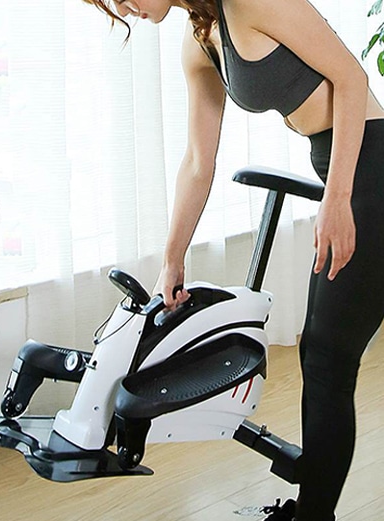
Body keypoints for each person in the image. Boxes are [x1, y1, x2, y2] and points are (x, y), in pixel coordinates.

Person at [84, 0, 384, 519]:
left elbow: (352, 79)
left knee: (326, 360)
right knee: (325, 359)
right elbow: (198, 161)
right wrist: (172, 258)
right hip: (344, 167)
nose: (125, 9)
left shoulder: (252, 2)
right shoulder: (200, 41)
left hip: (373, 166)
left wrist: (337, 199)